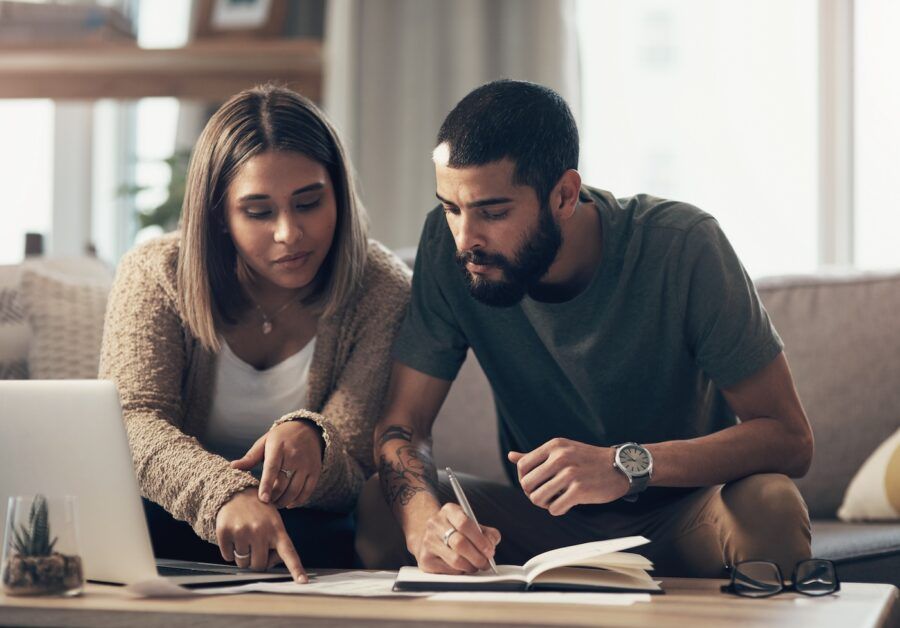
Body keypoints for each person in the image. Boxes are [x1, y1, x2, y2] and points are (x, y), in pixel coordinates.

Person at [357, 79, 813, 579]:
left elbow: (789, 438)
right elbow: (402, 426)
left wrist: (626, 465)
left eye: (493, 211)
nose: (467, 238)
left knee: (772, 506)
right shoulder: (452, 252)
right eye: (451, 208)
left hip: (687, 515)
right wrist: (425, 521)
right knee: (384, 507)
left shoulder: (683, 246)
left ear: (564, 196)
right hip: (541, 524)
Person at [99, 85, 410, 583]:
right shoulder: (155, 273)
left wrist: (315, 439)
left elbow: (355, 469)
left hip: (309, 534)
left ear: (340, 195)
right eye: (259, 212)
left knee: (337, 529)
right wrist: (225, 493)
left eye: (309, 203)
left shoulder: (381, 289)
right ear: (219, 215)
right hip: (167, 518)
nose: (289, 233)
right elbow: (131, 423)